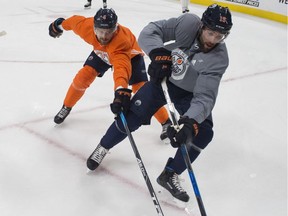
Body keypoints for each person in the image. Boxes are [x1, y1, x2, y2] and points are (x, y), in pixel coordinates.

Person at [86, 3, 233, 202]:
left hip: (188, 95)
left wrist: (190, 121)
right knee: (131, 117)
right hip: (162, 81)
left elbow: (205, 96)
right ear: (201, 26)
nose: (213, 40)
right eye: (210, 33)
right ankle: (103, 146)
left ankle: (170, 173)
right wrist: (158, 53)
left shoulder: (219, 59)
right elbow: (150, 30)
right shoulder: (187, 23)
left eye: (220, 36)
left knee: (203, 132)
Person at [48, 8, 169, 136]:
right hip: (103, 52)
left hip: (130, 56)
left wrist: (120, 90)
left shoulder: (122, 42)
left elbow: (121, 68)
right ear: (94, 27)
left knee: (141, 90)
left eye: (109, 32)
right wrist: (59, 25)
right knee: (82, 78)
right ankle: (66, 106)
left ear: (115, 29)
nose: (104, 36)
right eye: (100, 32)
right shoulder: (85, 27)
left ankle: (166, 122)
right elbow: (73, 22)